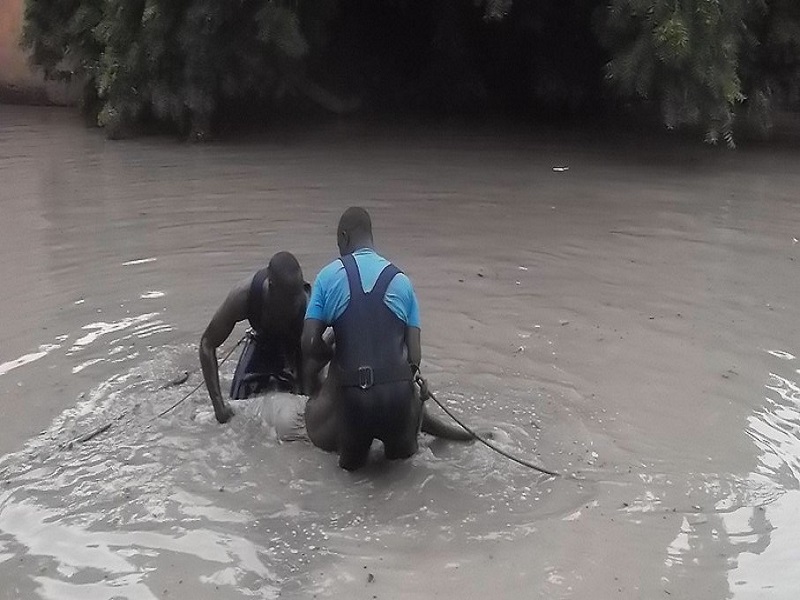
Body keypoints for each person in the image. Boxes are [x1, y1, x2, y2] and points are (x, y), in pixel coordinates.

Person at [302, 206, 464, 471]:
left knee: (351, 478)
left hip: (355, 402)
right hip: (398, 401)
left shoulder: (328, 276)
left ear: (343, 237)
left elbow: (309, 344)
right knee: (402, 474)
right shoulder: (402, 282)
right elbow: (414, 357)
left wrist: (332, 354)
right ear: (370, 237)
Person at [200, 251, 310, 424]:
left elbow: (313, 363)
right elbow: (207, 344)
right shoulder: (244, 296)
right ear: (271, 287)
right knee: (237, 406)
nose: (294, 305)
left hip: (294, 348)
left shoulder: (307, 308)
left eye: (296, 299)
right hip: (261, 342)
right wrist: (218, 406)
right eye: (288, 301)